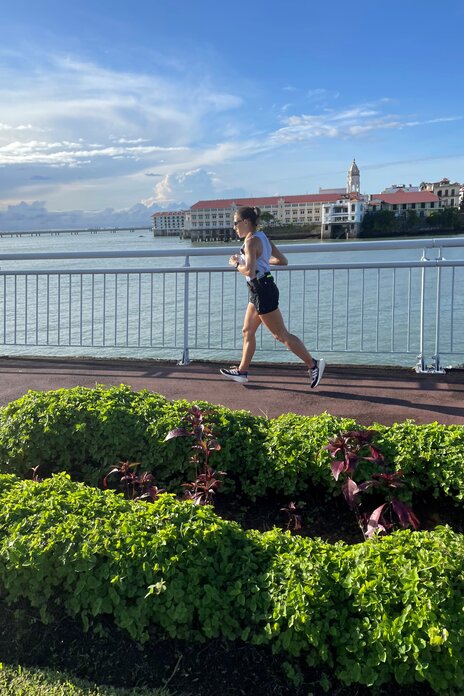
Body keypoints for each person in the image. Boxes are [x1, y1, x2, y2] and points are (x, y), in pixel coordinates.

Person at [220, 206, 325, 388]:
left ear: (245, 222)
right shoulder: (263, 237)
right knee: (247, 331)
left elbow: (250, 272)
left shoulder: (251, 241)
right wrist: (262, 260)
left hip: (262, 289)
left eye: (236, 223)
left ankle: (313, 364)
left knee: (280, 335)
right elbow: (282, 261)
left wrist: (236, 263)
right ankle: (242, 371)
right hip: (259, 289)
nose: (234, 227)